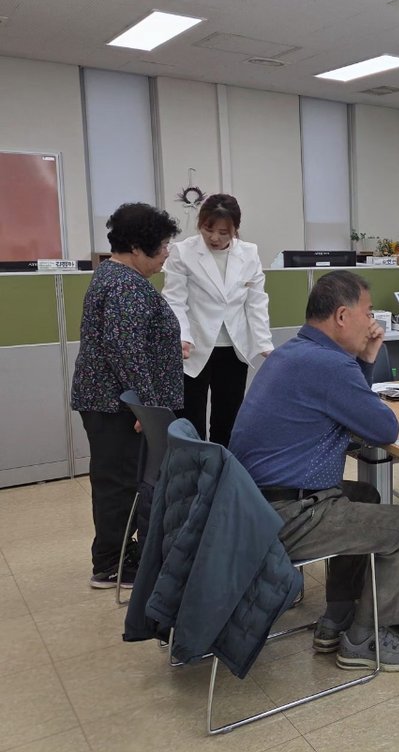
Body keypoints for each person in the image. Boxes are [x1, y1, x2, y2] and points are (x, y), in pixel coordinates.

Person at [229, 270, 399, 671]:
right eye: (368, 312)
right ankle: (365, 639)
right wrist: (363, 363)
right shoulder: (329, 365)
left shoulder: (294, 352)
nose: (372, 323)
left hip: (252, 506)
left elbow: (353, 412)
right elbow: (382, 428)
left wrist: (364, 362)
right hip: (288, 516)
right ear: (341, 316)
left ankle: (338, 615)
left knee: (365, 496)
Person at [71, 202, 183, 589]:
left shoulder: (115, 276)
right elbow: (125, 350)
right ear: (137, 247)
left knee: (120, 479)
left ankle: (118, 554)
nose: (166, 253)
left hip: (112, 399)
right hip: (117, 403)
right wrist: (147, 407)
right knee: (119, 484)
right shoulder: (125, 285)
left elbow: (128, 342)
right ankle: (110, 565)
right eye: (163, 245)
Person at [163, 193, 272, 448]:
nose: (214, 238)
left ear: (235, 229)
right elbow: (175, 300)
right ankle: (193, 471)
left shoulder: (249, 253)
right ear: (200, 223)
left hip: (233, 347)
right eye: (208, 229)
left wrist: (264, 343)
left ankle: (222, 469)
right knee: (190, 422)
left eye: (224, 232)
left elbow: (256, 301)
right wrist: (182, 336)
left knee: (228, 420)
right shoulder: (183, 252)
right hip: (194, 346)